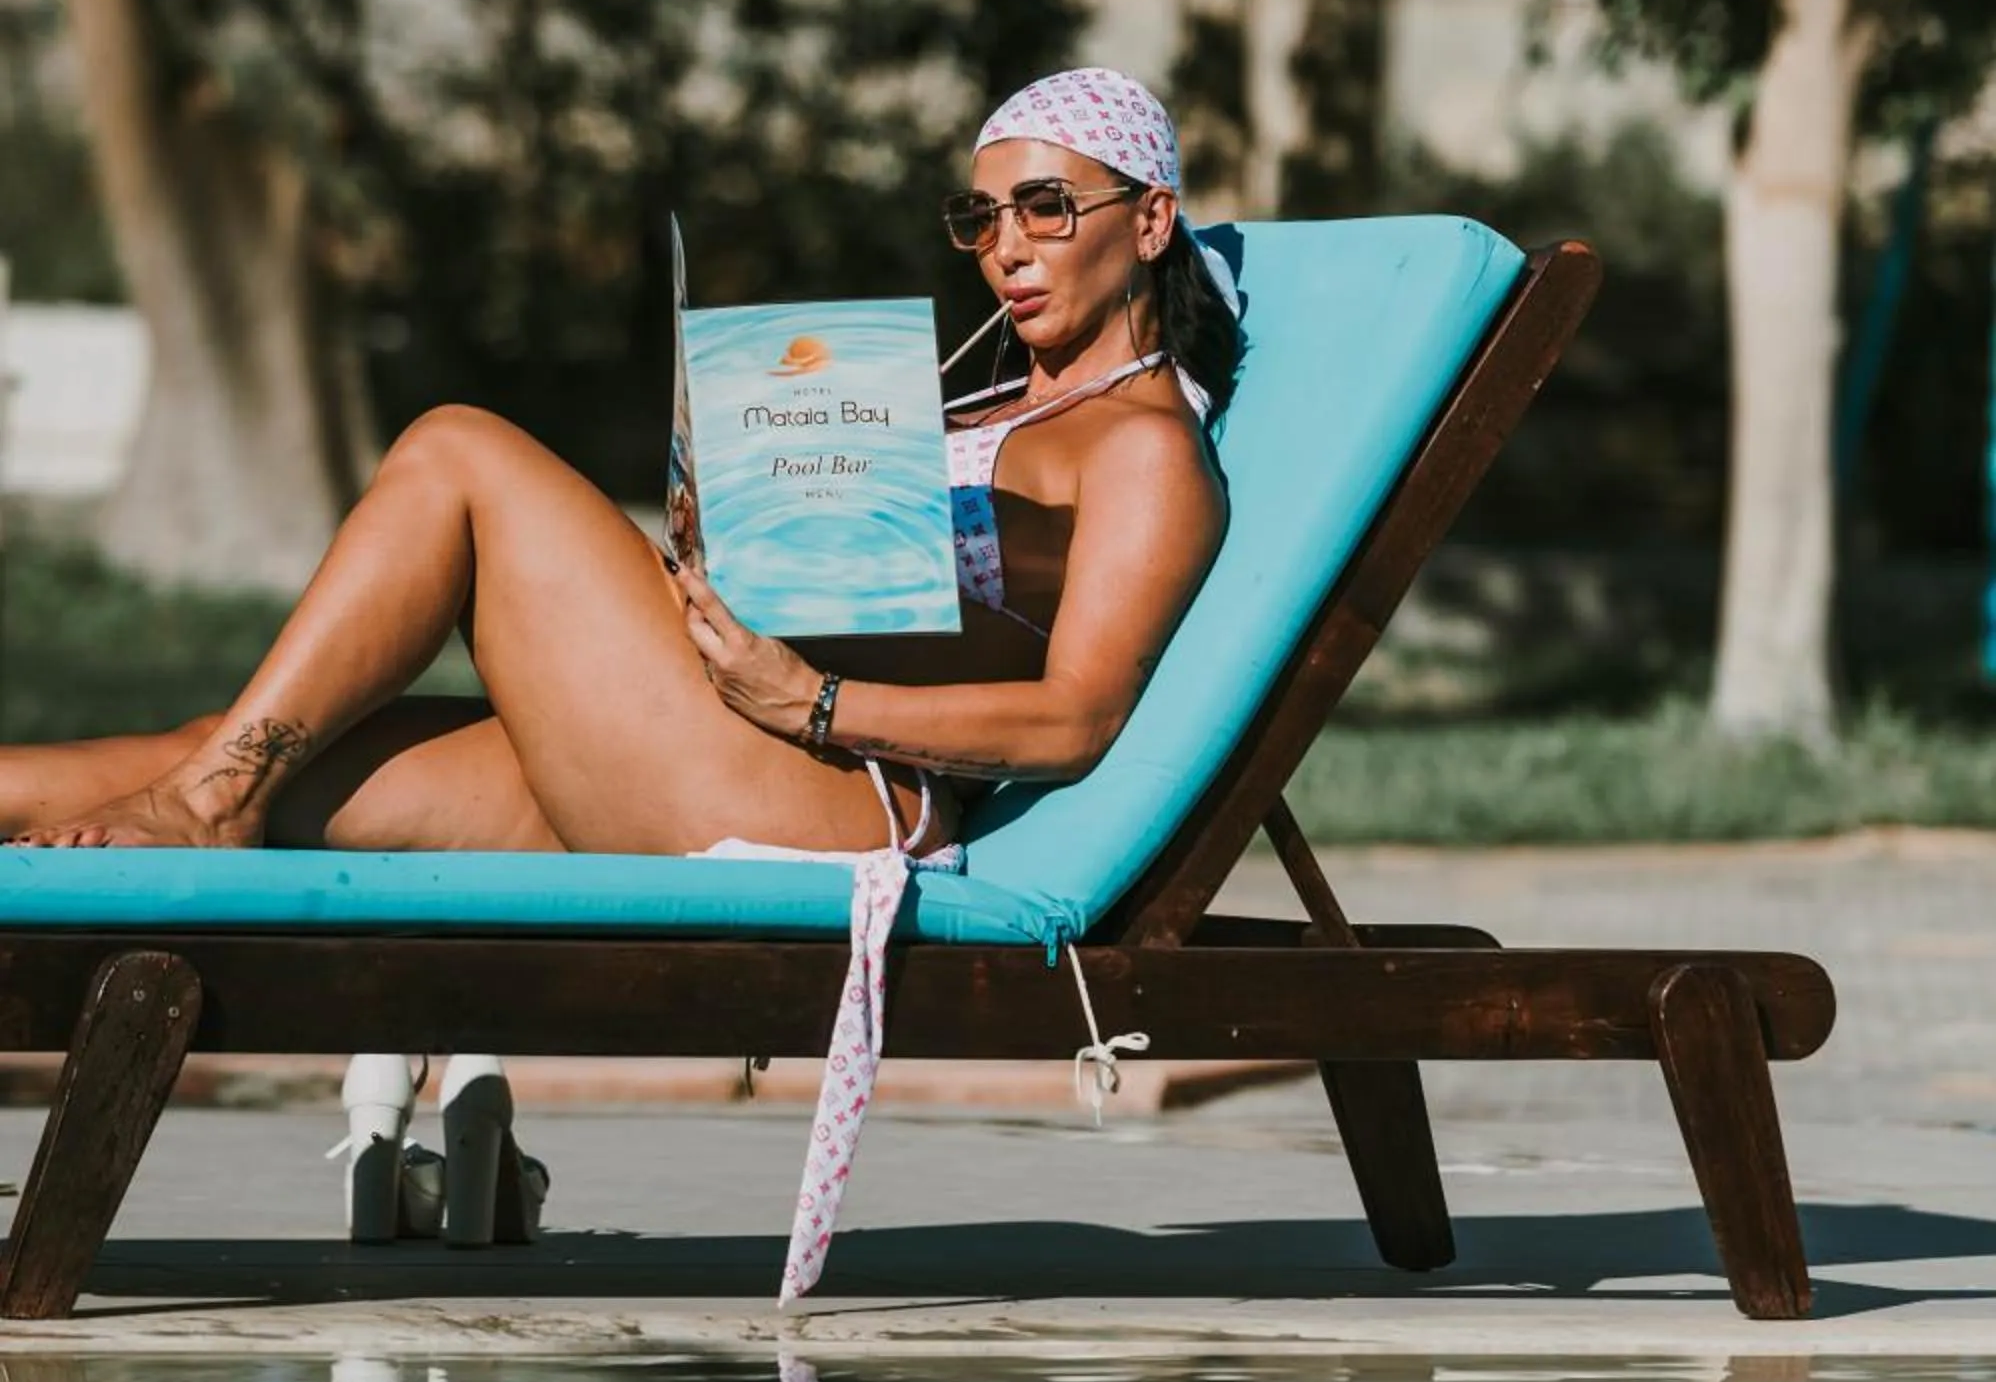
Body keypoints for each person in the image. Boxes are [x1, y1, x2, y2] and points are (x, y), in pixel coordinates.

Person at [0, 69, 1242, 868]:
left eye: (1047, 209)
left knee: (458, 450)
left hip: (835, 789)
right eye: (983, 218)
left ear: (1146, 221)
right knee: (253, 745)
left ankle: (213, 801)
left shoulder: (1141, 450)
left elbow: (1076, 718)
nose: (1007, 248)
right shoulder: (971, 396)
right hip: (706, 733)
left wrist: (809, 702)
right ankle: (205, 791)